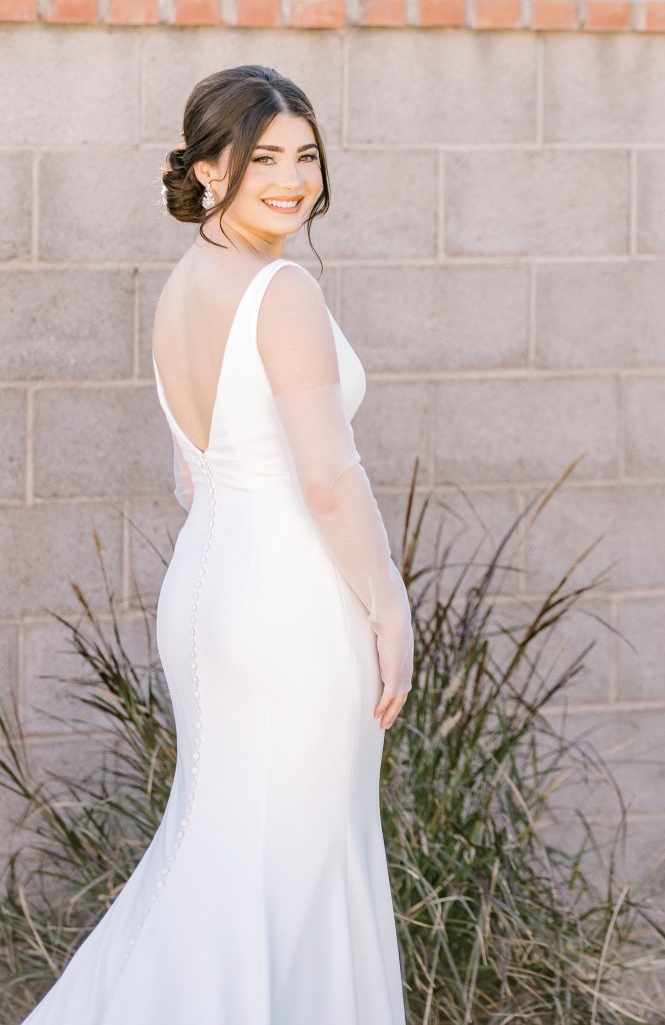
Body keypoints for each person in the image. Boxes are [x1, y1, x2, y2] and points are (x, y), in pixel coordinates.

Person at [21, 63, 414, 1025]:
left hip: (211, 587)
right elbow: (329, 477)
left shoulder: (187, 285)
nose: (293, 177)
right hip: (291, 602)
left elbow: (190, 473)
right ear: (206, 168)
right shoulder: (281, 292)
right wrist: (389, 602)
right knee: (294, 861)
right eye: (263, 156)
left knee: (218, 845)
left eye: (307, 154)